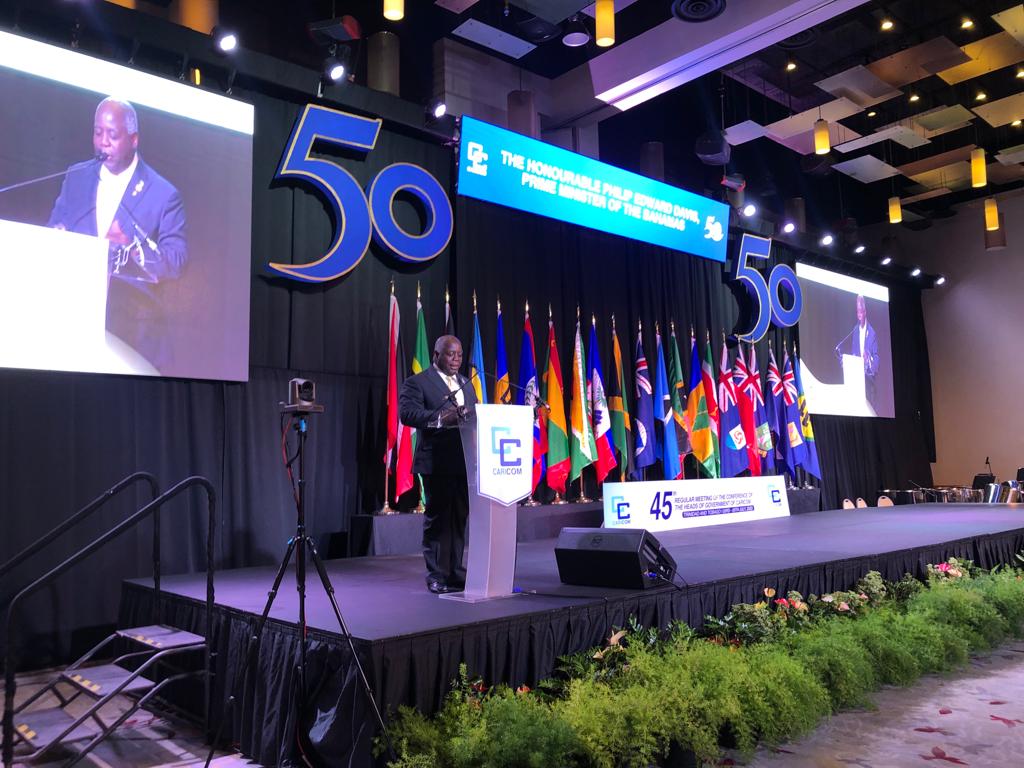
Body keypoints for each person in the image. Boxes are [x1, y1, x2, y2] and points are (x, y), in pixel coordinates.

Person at [48, 96, 187, 373]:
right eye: (98, 133)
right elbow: (55, 225)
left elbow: (177, 260)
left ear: (134, 139)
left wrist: (133, 247)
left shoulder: (164, 194)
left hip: (133, 336)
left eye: (113, 134)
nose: (103, 142)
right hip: (74, 323)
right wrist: (57, 237)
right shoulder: (76, 176)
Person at [399, 335, 478, 594]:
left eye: (459, 354)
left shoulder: (466, 383)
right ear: (436, 355)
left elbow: (475, 416)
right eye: (450, 354)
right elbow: (407, 414)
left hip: (464, 461)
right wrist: (442, 418)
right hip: (436, 461)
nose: (456, 359)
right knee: (438, 520)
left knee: (459, 520)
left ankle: (455, 572)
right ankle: (436, 575)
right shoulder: (418, 382)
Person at [848, 294, 879, 408]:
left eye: (861, 311)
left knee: (869, 408)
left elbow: (876, 357)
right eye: (857, 312)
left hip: (868, 379)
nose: (859, 315)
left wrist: (869, 358)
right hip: (857, 378)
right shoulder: (855, 330)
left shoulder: (872, 333)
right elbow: (853, 352)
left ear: (865, 312)